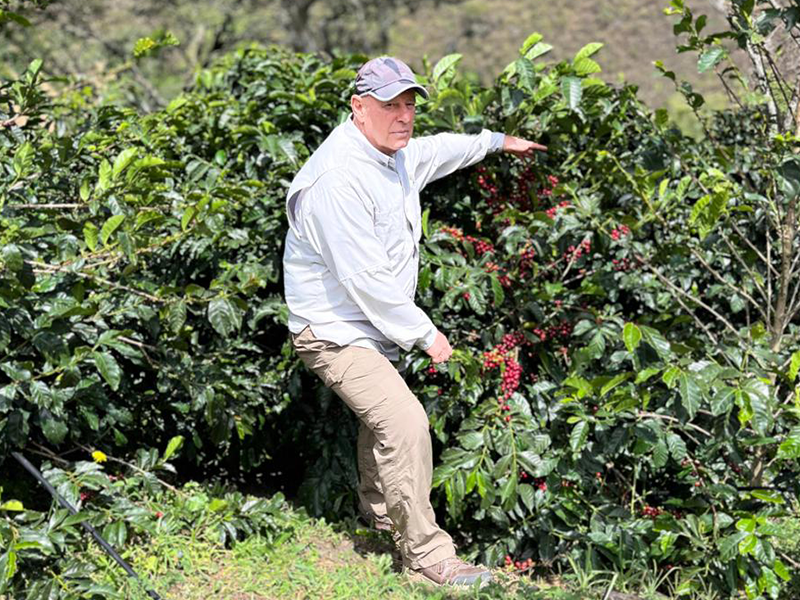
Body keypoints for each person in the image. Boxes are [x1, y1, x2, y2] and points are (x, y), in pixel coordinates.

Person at [282, 56, 546, 586]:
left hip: (367, 328)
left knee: (383, 420)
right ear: (359, 108)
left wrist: (496, 141)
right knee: (404, 423)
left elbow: (439, 150)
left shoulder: (392, 156)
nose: (403, 116)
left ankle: (381, 518)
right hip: (334, 333)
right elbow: (365, 279)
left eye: (409, 105)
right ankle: (426, 559)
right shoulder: (338, 179)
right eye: (389, 105)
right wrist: (426, 335)